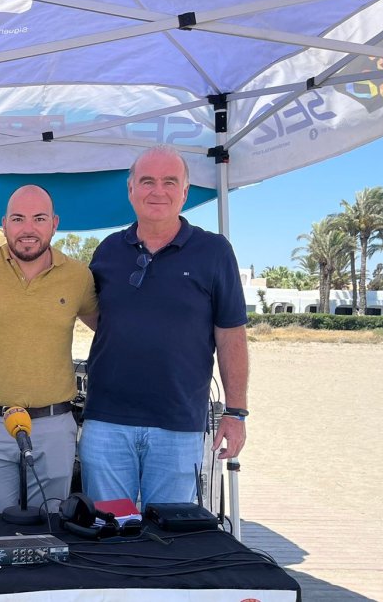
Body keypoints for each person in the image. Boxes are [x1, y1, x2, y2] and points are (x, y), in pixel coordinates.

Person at [81, 146, 249, 508]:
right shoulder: (107, 250)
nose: (158, 191)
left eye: (170, 182)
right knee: (110, 534)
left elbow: (231, 335)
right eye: (147, 181)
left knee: (168, 541)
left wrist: (236, 413)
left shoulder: (214, 251)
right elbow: (94, 313)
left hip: (179, 424)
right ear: (130, 190)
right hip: (106, 422)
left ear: (185, 192)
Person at [0, 186, 97, 514]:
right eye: (18, 219)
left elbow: (110, 331)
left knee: (50, 531)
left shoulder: (78, 276)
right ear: (4, 224)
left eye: (39, 219)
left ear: (54, 223)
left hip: (53, 426)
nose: (28, 229)